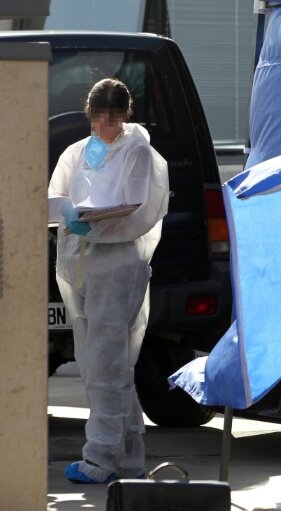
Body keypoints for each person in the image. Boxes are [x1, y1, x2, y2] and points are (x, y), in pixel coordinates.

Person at [48, 78, 170, 484]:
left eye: (112, 120)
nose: (104, 128)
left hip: (118, 268)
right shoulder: (78, 152)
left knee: (105, 366)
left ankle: (99, 459)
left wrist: (95, 226)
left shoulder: (139, 152)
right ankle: (130, 459)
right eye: (98, 119)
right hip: (82, 265)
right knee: (106, 367)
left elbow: (140, 211)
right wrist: (67, 216)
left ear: (125, 116)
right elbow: (54, 197)